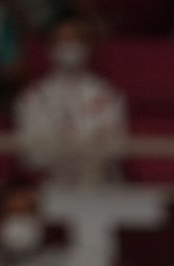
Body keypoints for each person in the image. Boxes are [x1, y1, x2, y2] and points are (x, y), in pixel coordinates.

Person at [13, 18, 127, 186]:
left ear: (88, 46)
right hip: (51, 186)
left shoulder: (108, 94)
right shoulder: (33, 98)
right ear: (50, 47)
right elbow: (32, 155)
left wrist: (66, 145)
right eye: (63, 40)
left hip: (102, 184)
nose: (70, 45)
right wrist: (79, 146)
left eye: (77, 39)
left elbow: (115, 146)